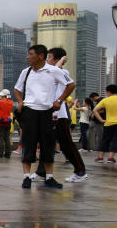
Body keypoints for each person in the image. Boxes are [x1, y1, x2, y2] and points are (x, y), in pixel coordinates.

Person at [13, 44, 73, 189]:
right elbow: (17, 88)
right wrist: (20, 102)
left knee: (48, 144)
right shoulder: (26, 72)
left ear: (40, 56)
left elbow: (71, 84)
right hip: (30, 111)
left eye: (30, 54)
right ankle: (26, 177)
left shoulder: (54, 71)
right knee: (28, 144)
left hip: (47, 111)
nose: (28, 57)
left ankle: (49, 177)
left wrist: (59, 100)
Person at [34, 48, 86, 182]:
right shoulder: (47, 73)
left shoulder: (63, 72)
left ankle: (80, 171)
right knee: (47, 145)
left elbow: (57, 71)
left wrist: (62, 61)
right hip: (49, 114)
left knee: (66, 144)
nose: (47, 60)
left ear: (57, 60)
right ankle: (41, 172)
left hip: (60, 115)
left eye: (49, 57)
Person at [92, 84, 117, 164]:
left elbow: (94, 110)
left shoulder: (105, 100)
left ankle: (100, 157)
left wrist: (101, 120)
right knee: (116, 140)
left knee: (105, 140)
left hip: (108, 123)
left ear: (109, 92)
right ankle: (110, 158)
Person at [0, 90, 15, 158]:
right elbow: (4, 101)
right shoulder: (11, 102)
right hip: (8, 121)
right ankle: (8, 153)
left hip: (1, 121)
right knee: (7, 138)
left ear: (3, 96)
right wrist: (0, 98)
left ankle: (0, 153)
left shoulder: (0, 102)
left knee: (0, 138)